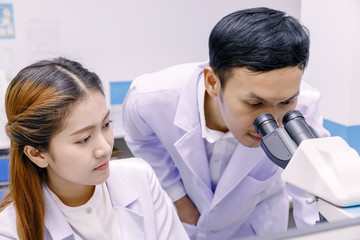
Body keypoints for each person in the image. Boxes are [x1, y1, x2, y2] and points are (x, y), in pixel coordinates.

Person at [122, 7, 330, 240]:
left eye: (286, 101)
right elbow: (141, 139)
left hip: (258, 223)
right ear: (213, 82)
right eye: (254, 104)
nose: (272, 120)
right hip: (185, 224)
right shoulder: (151, 98)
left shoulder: (304, 107)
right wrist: (177, 197)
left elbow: (312, 195)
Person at [0, 57, 189, 240]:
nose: (105, 148)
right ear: (37, 154)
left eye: (106, 124)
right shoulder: (9, 231)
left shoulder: (140, 178)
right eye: (84, 139)